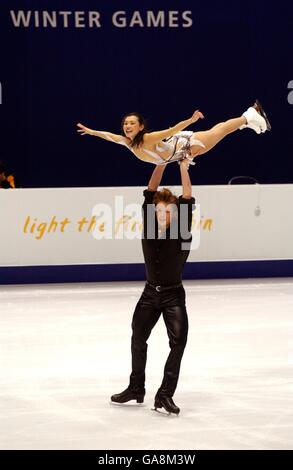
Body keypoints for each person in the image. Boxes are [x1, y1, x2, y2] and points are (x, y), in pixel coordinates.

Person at [110, 158, 195, 415]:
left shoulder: (181, 228)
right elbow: (150, 189)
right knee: (138, 337)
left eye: (168, 211)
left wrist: (182, 166)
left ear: (176, 212)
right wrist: (161, 160)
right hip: (149, 293)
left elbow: (188, 195)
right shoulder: (149, 225)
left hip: (173, 295)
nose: (163, 214)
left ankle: (165, 394)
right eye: (159, 210)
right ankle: (136, 387)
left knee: (178, 342)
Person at [77, 100, 271, 166]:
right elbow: (108, 136)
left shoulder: (147, 138)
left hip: (186, 144)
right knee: (219, 132)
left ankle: (249, 115)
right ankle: (248, 120)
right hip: (180, 154)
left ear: (141, 127)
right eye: (125, 123)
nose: (127, 126)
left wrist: (191, 120)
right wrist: (92, 131)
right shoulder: (128, 142)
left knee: (218, 131)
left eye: (132, 123)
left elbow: (171, 130)